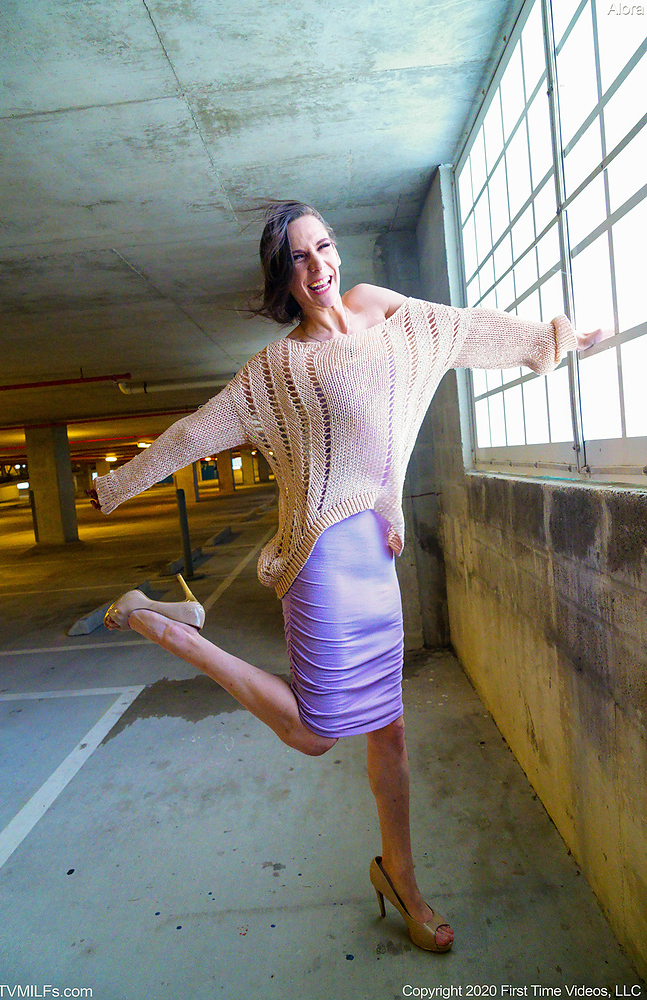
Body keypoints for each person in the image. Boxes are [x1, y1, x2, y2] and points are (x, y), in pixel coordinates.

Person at [88, 200, 607, 953]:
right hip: (323, 563)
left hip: (377, 559)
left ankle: (402, 879)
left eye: (324, 246)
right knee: (315, 731)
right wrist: (118, 484)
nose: (318, 266)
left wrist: (552, 340)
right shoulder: (276, 369)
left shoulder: (377, 308)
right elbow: (198, 431)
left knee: (389, 731)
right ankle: (153, 619)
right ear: (283, 278)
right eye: (299, 258)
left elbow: (460, 329)